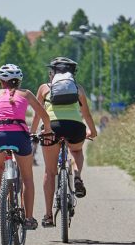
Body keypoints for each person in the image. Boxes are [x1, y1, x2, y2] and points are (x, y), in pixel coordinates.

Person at [0, 64, 52, 231]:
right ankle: (28, 218)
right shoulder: (26, 94)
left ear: (1, 82)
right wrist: (46, 130)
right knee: (27, 178)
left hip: (0, 135)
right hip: (20, 137)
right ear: (19, 81)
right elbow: (44, 116)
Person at [30, 57, 98, 227]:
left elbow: (38, 114)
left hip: (51, 128)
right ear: (72, 73)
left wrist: (31, 133)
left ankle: (47, 215)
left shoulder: (44, 88)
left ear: (52, 72)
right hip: (75, 126)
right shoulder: (77, 88)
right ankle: (77, 176)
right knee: (76, 151)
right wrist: (93, 131)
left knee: (49, 172)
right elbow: (87, 114)